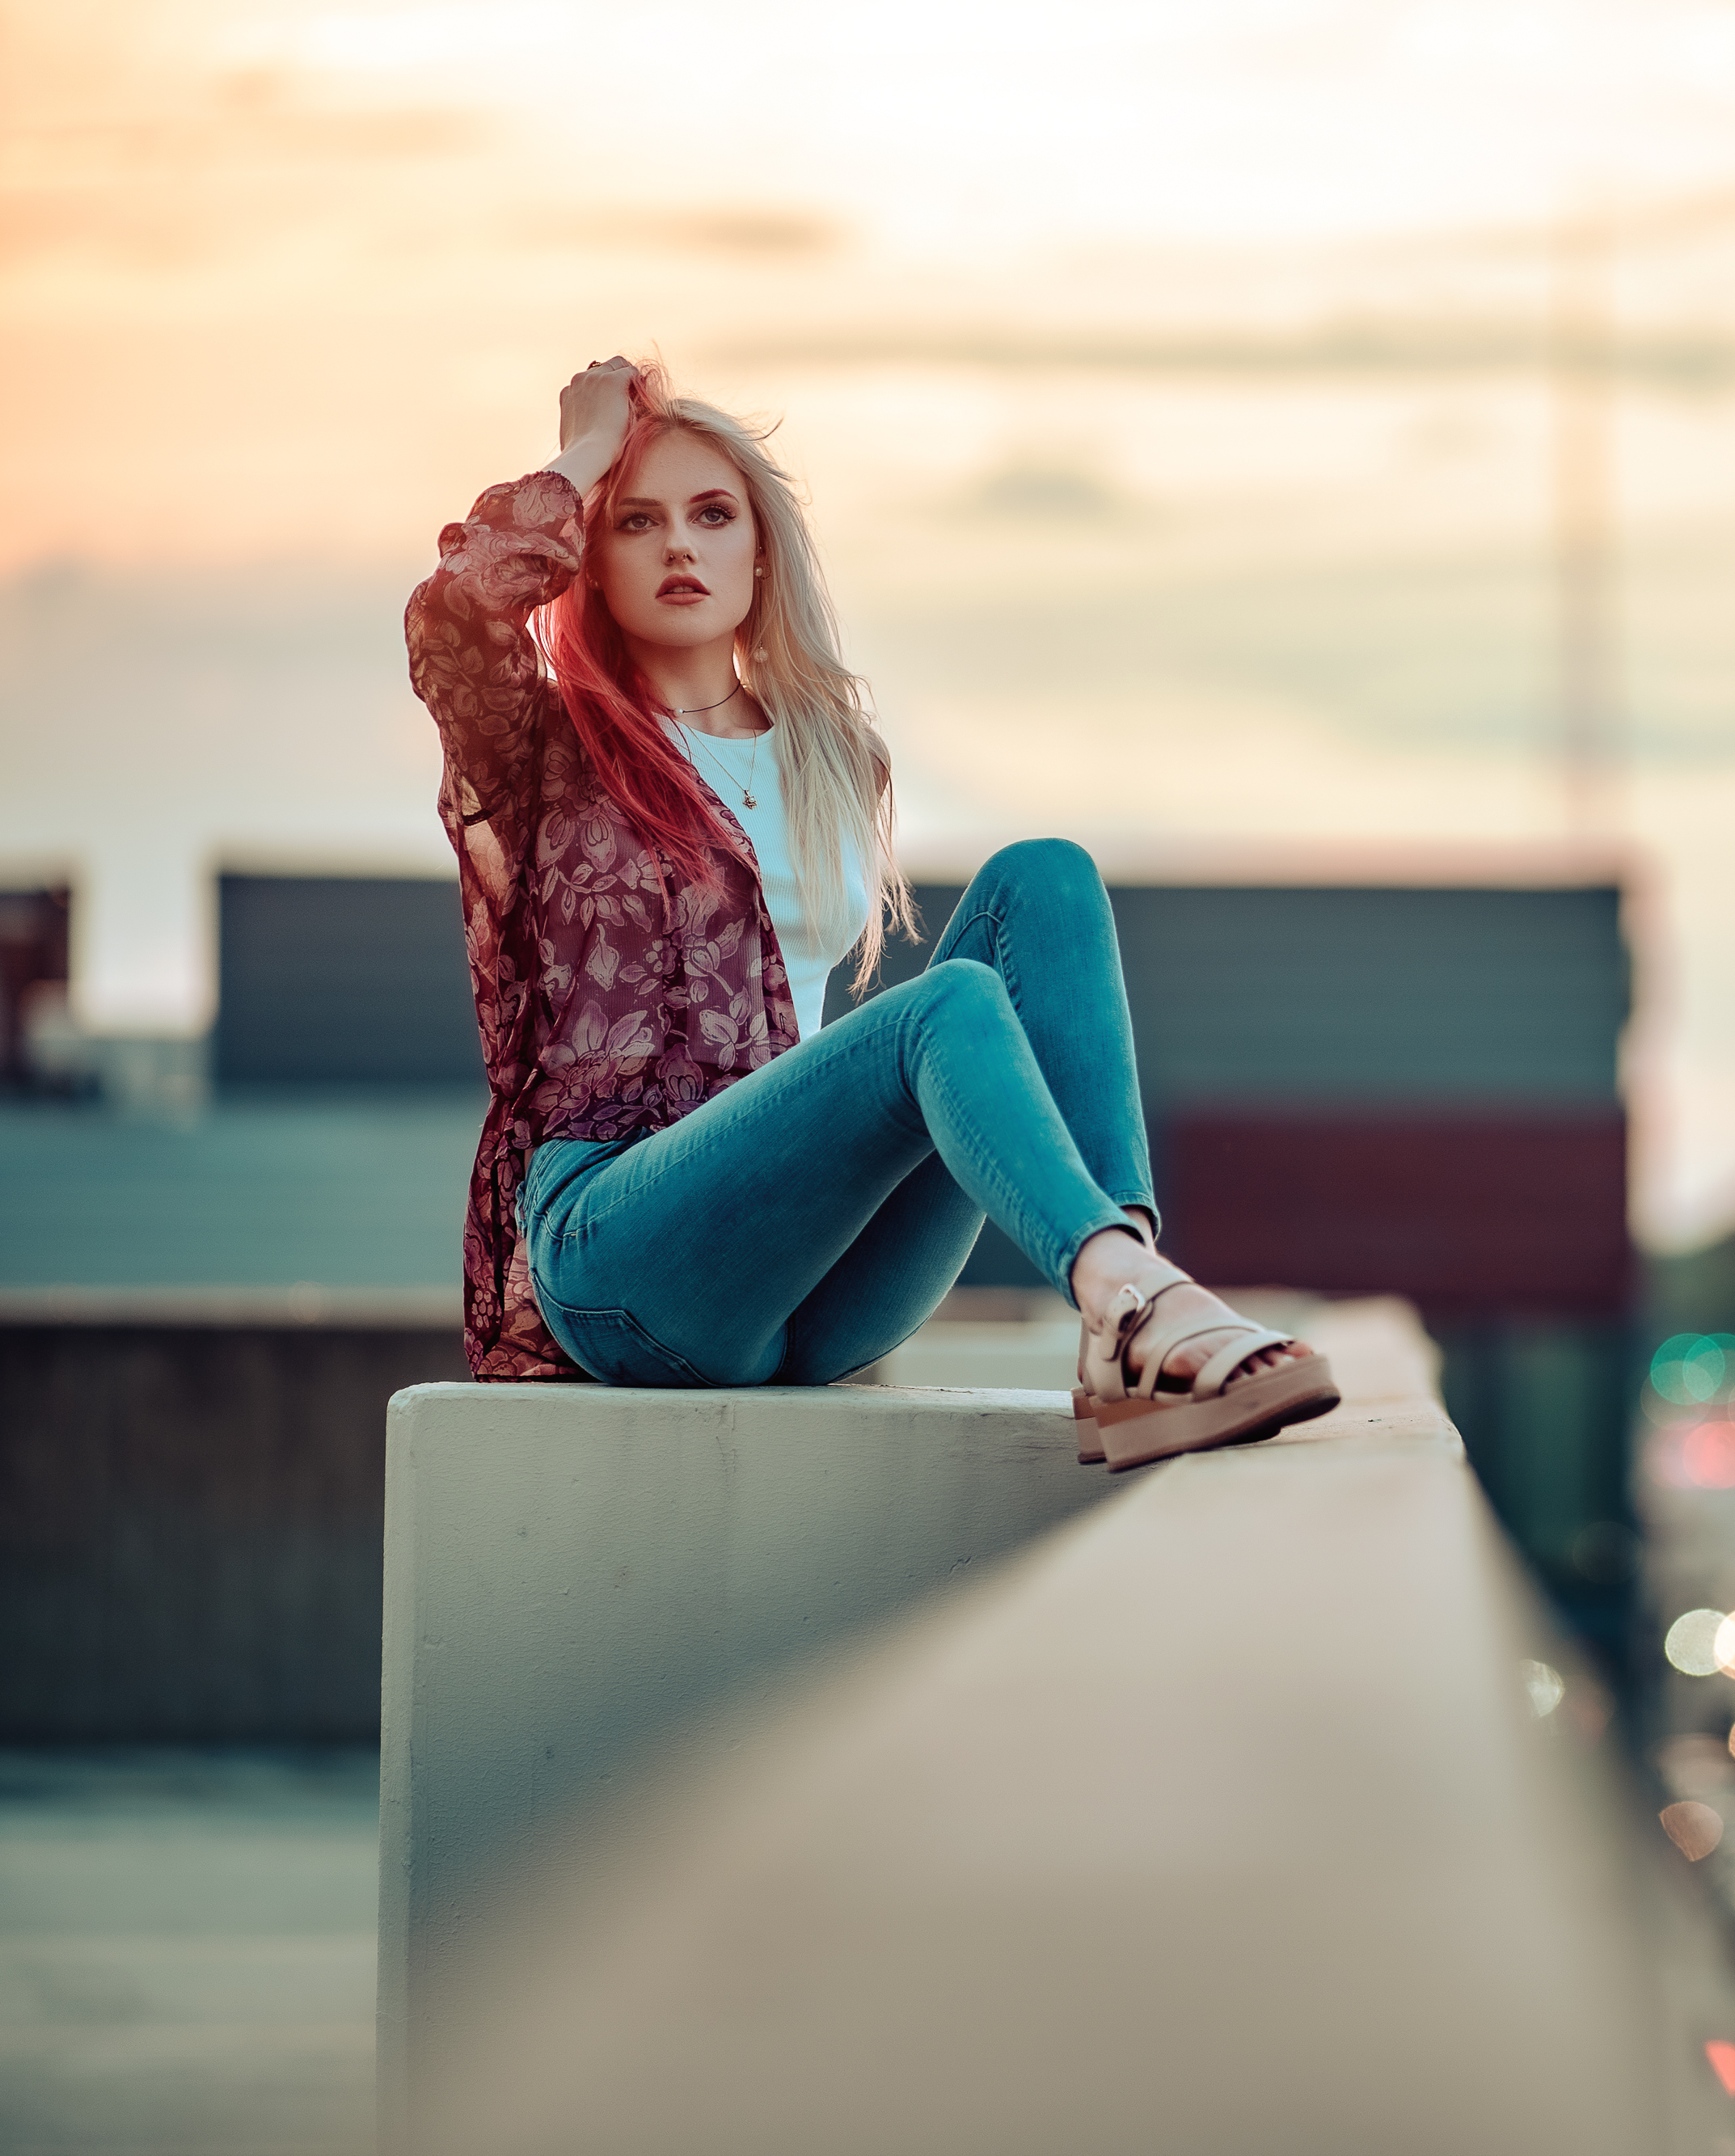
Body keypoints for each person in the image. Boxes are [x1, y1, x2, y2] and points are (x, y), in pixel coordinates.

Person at [402, 356, 1335, 1468]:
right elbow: (457, 613)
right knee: (941, 1008)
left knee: (1047, 878)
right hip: (623, 1254)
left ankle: (1126, 1320)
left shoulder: (835, 758)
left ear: (761, 551)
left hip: (808, 1279)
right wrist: (589, 450)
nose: (680, 546)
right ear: (592, 566)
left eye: (712, 515)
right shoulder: (545, 748)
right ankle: (1133, 1299)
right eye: (637, 523)